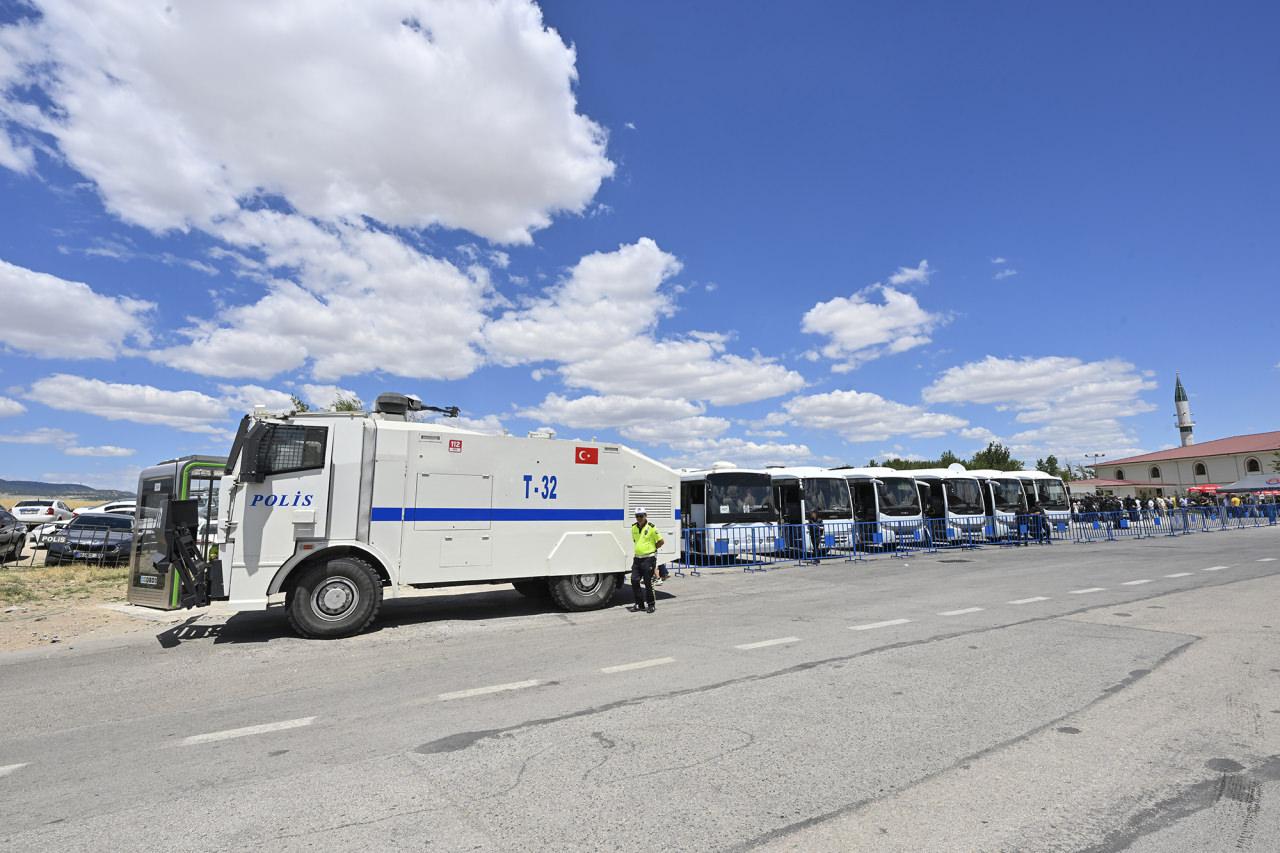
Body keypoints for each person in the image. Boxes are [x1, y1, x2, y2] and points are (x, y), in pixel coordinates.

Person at [629, 508, 665, 613]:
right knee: (634, 580)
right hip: (637, 558)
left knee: (648, 582)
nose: (639, 518)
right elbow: (635, 541)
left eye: (641, 516)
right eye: (637, 516)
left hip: (649, 558)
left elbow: (661, 541)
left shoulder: (652, 528)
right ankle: (640, 604)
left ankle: (651, 604)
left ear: (645, 515)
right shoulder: (633, 528)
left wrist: (653, 549)